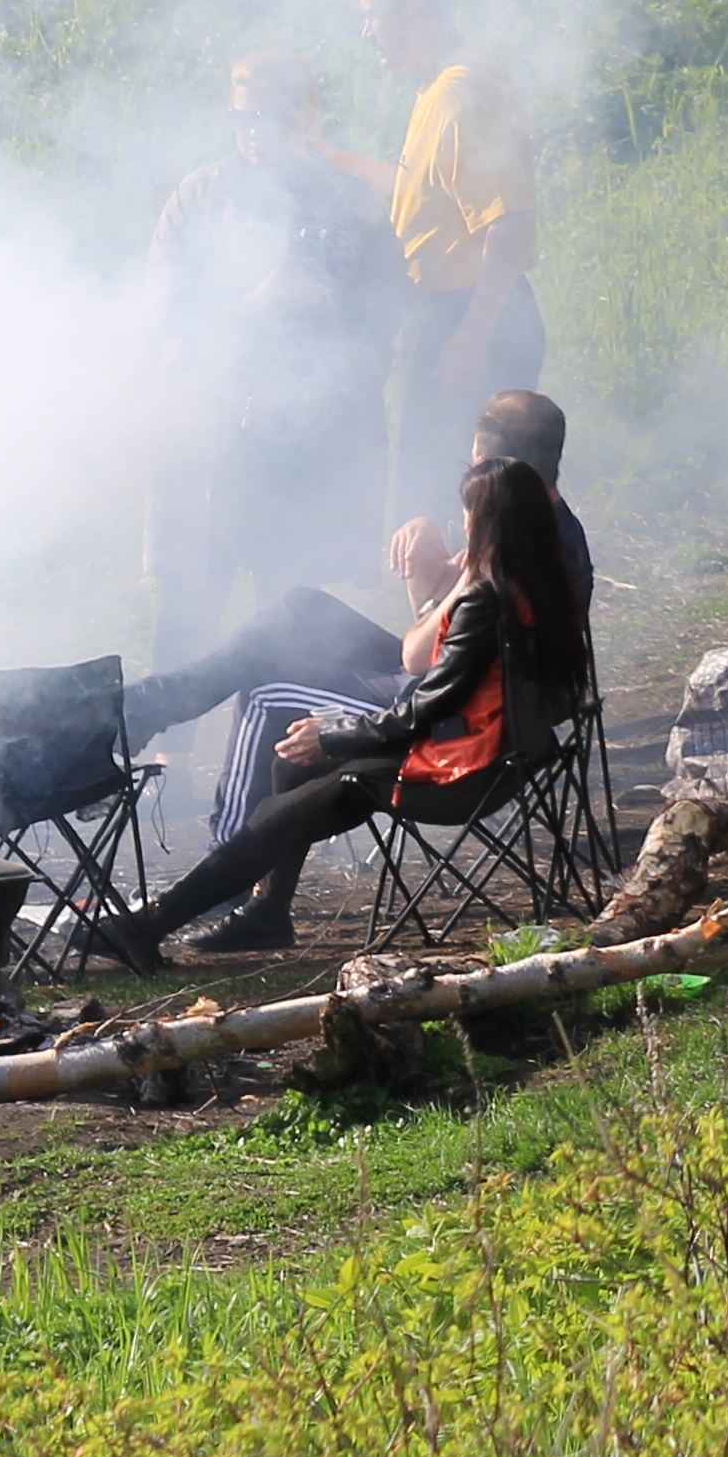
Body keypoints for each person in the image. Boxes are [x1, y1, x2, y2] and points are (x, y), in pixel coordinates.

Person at [75, 453, 594, 971]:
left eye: (467, 514)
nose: (462, 523)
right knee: (290, 765)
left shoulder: (486, 598)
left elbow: (424, 706)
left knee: (277, 815)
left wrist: (336, 735)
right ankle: (268, 910)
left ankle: (148, 927)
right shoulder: (539, 584)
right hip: (492, 754)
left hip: (455, 767)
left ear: (485, 521)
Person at [122, 386, 597, 748]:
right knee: (300, 608)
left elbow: (418, 659)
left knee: (271, 667)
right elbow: (439, 626)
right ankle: (149, 706)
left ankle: (149, 714)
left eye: (476, 462)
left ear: (496, 463)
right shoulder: (544, 524)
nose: (472, 475)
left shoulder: (518, 547)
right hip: (461, 682)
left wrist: (468, 570)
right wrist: (427, 548)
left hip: (457, 712)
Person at [139, 54, 391, 657]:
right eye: (241, 115)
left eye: (268, 116)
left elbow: (387, 314)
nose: (252, 129)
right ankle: (169, 748)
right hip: (213, 433)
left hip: (308, 438)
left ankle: (275, 741)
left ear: (304, 117)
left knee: (288, 602)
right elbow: (165, 313)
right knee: (191, 596)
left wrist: (328, 313)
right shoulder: (200, 198)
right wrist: (255, 304)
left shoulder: (350, 202)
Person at [331, 0, 541, 531]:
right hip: (462, 315)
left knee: (438, 512)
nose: (367, 31)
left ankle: (461, 623)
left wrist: (472, 337)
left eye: (373, 15)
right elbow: (427, 196)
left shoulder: (458, 93)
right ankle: (471, 619)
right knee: (458, 511)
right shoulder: (441, 85)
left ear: (418, 8)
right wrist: (337, 163)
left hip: (467, 317)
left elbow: (507, 221)